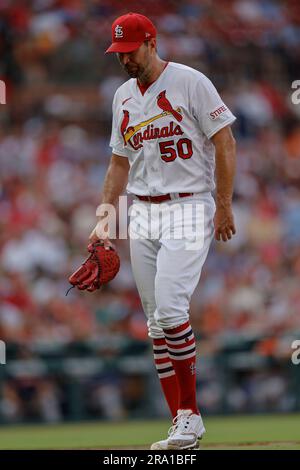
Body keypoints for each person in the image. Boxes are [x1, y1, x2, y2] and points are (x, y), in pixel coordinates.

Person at [90, 12, 237, 450]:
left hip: (189, 205)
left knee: (171, 311)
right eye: (118, 53)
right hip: (142, 212)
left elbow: (224, 141)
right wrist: (105, 223)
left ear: (151, 42)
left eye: (130, 51)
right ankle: (180, 423)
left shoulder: (191, 82)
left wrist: (224, 204)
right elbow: (119, 163)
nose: (125, 60)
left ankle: (190, 416)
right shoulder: (121, 97)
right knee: (155, 325)